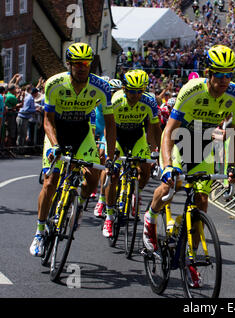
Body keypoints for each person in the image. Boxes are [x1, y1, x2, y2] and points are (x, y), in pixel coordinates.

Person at [143, 44, 235, 286]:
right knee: (171, 187)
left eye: (228, 75)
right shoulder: (192, 90)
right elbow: (169, 130)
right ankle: (151, 216)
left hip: (203, 146)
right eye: (219, 75)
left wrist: (233, 166)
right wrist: (168, 165)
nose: (224, 81)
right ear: (208, 73)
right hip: (180, 141)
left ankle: (190, 260)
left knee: (201, 203)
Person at [29, 43, 116, 257]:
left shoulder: (101, 87)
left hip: (81, 132)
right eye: (77, 64)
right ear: (69, 64)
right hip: (57, 132)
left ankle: (80, 205)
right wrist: (55, 145)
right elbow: (47, 120)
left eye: (86, 63)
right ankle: (39, 232)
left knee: (94, 176)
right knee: (51, 181)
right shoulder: (55, 84)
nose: (82, 67)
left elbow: (110, 123)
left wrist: (111, 156)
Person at [102, 69, 161, 237]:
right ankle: (109, 215)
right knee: (113, 175)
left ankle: (137, 193)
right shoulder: (116, 100)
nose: (135, 95)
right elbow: (109, 128)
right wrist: (109, 153)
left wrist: (156, 152)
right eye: (131, 91)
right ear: (124, 89)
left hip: (137, 136)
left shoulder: (149, 101)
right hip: (118, 135)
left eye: (139, 91)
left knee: (146, 169)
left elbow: (155, 128)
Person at [93, 78, 123, 218]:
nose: (114, 93)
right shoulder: (101, 99)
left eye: (116, 91)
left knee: (112, 162)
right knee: (102, 157)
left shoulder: (120, 101)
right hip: (99, 128)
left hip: (113, 131)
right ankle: (100, 199)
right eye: (112, 91)